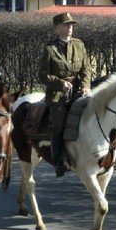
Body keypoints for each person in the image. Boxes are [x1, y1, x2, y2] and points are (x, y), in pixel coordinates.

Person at [37, 12, 92, 177]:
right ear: (57, 27)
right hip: (58, 95)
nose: (70, 27)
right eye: (66, 25)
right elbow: (42, 75)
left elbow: (86, 68)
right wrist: (60, 83)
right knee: (59, 124)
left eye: (71, 24)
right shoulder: (50, 49)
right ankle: (59, 160)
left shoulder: (79, 45)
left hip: (78, 91)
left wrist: (85, 85)